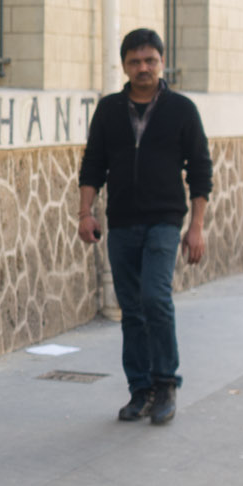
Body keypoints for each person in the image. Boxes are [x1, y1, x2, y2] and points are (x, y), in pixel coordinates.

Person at [78, 27, 211, 426]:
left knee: (155, 299)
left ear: (162, 62)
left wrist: (197, 226)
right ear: (124, 66)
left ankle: (166, 384)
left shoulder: (182, 110)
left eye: (150, 60)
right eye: (135, 61)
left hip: (164, 221)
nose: (143, 68)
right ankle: (140, 390)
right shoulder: (109, 110)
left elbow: (201, 171)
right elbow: (92, 164)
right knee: (131, 310)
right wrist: (86, 212)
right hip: (121, 224)